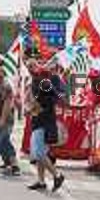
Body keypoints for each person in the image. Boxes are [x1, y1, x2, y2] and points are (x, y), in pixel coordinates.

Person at [26, 58, 65, 192]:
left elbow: (43, 102)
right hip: (40, 120)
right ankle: (41, 181)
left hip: (44, 120)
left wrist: (31, 108)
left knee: (38, 153)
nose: (30, 68)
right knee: (40, 152)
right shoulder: (38, 80)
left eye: (32, 66)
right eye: (28, 67)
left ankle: (57, 175)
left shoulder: (42, 80)